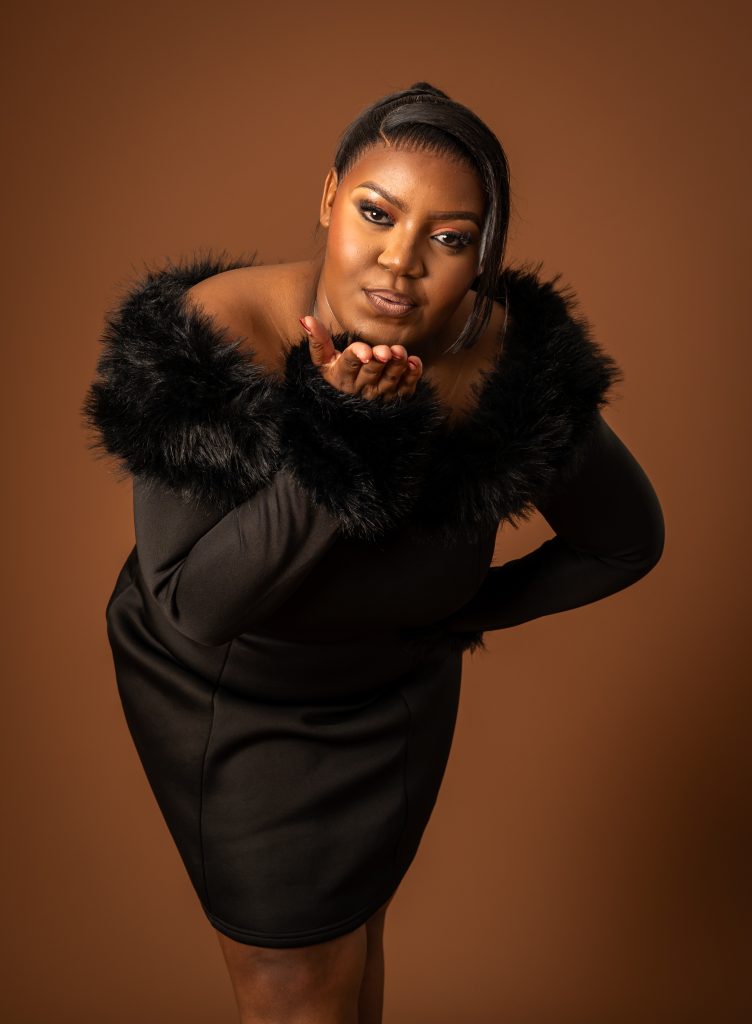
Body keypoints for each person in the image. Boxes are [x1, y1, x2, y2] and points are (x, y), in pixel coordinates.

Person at [81, 81, 665, 1024]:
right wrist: (344, 436)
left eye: (449, 237)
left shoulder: (509, 365)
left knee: (349, 954)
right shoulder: (212, 338)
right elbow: (193, 605)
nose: (401, 261)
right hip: (233, 698)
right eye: (377, 213)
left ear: (483, 254)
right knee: (298, 985)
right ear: (329, 199)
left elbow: (625, 543)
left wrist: (447, 615)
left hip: (391, 701)